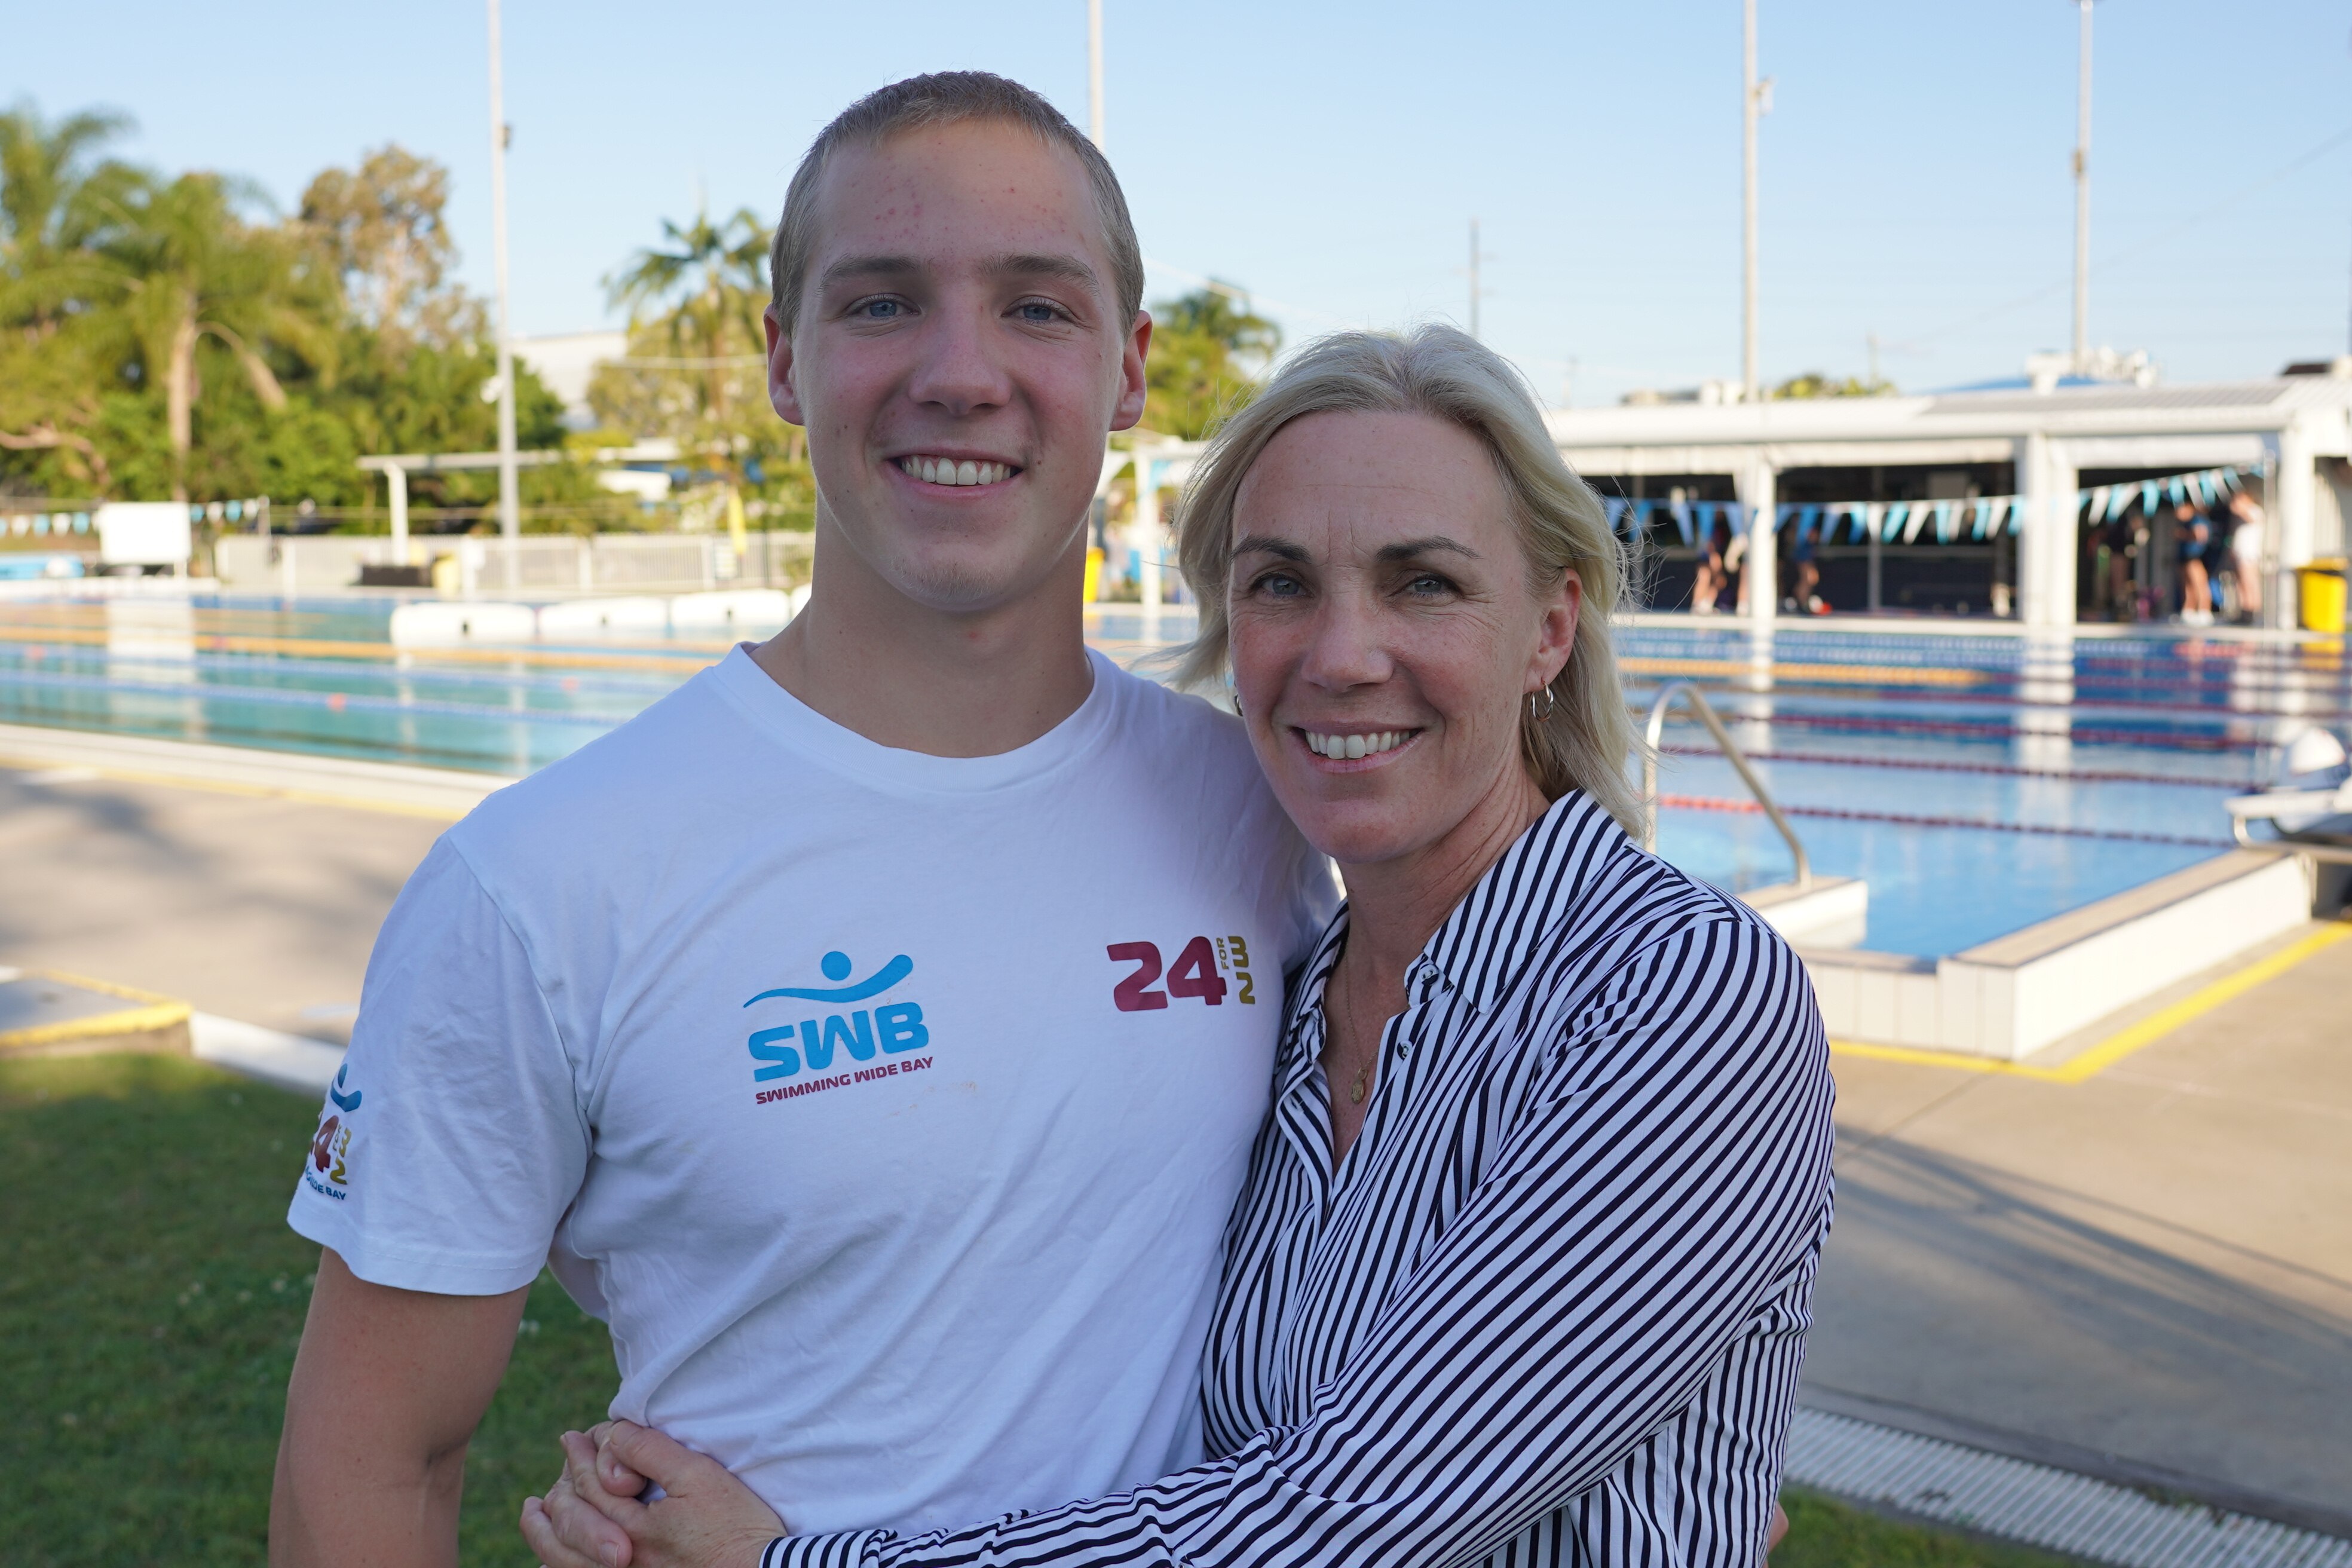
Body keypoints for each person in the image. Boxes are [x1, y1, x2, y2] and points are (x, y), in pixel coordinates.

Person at [531, 326, 1838, 1568]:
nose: (1339, 655)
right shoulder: (1290, 984)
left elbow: (1345, 1523)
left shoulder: (1676, 997)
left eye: (1423, 582)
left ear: (1549, 627)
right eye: (1280, 583)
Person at [271, 72, 1336, 1568]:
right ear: (783, 359)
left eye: (1036, 306)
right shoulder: (542, 883)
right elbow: (369, 1466)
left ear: (1131, 367)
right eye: (884, 303)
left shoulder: (1254, 807)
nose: (961, 373)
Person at [2227, 489, 2264, 621]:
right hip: (2241, 554)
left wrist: (2240, 509)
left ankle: (2250, 611)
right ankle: (2244, 610)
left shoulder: (2254, 510)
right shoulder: (2241, 516)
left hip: (2250, 554)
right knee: (2241, 583)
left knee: (2249, 582)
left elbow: (2252, 519)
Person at [2175, 499, 2214, 626]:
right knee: (2188, 586)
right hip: (2186, 557)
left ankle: (2205, 611)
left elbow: (2201, 537)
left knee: (2199, 584)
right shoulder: (2187, 522)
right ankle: (2189, 610)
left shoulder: (2198, 519)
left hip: (2195, 557)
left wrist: (2184, 535)